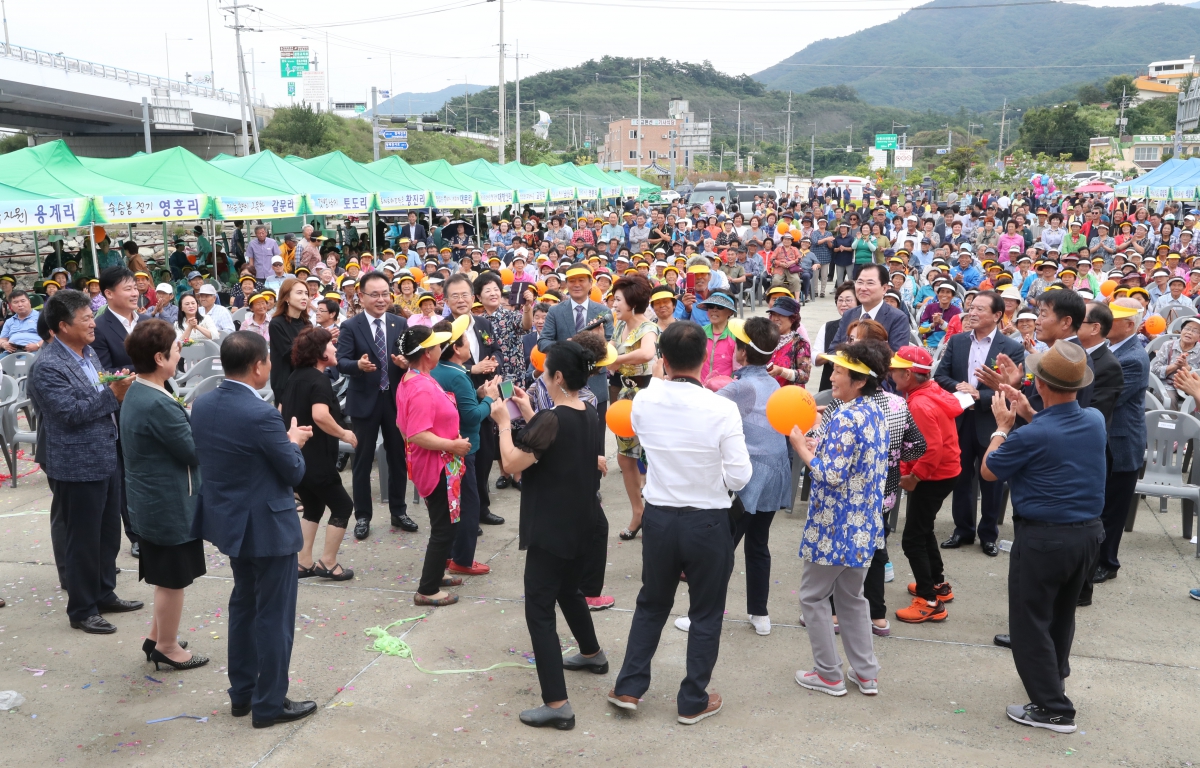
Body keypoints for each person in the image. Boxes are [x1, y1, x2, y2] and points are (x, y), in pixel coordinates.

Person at [609, 321, 751, 726]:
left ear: (663, 360)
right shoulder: (722, 408)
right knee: (706, 611)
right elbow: (740, 477)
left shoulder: (643, 402)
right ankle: (692, 700)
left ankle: (629, 687)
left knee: (652, 603)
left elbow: (646, 421)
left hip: (658, 516)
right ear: (705, 358)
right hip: (706, 519)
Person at [191, 331, 316, 728]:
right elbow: (293, 470)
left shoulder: (204, 402)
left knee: (244, 607)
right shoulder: (261, 414)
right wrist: (292, 440)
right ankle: (269, 703)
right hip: (267, 525)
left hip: (231, 522)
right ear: (259, 366)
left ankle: (242, 694)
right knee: (273, 617)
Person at [981, 341, 1104, 735]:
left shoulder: (1032, 435)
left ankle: (1053, 708)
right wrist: (1030, 411)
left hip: (1043, 539)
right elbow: (1055, 429)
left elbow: (989, 470)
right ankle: (1054, 679)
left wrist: (1002, 428)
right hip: (1086, 535)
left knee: (1030, 622)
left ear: (1043, 386)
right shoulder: (1095, 420)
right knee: (1061, 615)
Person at [490, 340, 609, 730]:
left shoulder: (552, 419)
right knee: (568, 590)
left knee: (539, 610)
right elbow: (561, 440)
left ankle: (557, 703)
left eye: (545, 372)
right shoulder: (589, 409)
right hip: (584, 522)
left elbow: (511, 463)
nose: (541, 377)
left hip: (553, 528)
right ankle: (591, 653)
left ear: (558, 377)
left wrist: (505, 423)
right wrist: (529, 412)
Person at [28, 289, 141, 634]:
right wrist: (114, 395)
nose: (93, 322)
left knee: (107, 534)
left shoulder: (87, 353)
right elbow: (68, 414)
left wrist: (116, 389)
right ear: (63, 326)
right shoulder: (48, 365)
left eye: (92, 316)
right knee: (82, 539)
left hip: (106, 453)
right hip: (76, 464)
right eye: (86, 318)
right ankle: (81, 609)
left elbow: (96, 398)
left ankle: (105, 592)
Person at [788, 340, 890, 697]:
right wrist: (821, 449)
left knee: (813, 597)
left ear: (859, 380)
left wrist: (802, 448)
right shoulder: (875, 410)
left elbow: (831, 475)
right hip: (863, 525)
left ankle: (828, 673)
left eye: (840, 372)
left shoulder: (847, 414)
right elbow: (851, 462)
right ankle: (866, 673)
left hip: (835, 525)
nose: (832, 377)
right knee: (852, 597)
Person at [120, 319, 208, 669]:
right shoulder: (157, 403)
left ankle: (158, 637)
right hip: (167, 503)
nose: (179, 352)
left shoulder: (140, 390)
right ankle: (168, 647)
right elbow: (192, 452)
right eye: (175, 349)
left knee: (165, 576)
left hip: (152, 500)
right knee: (172, 580)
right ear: (159, 358)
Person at [704, 317, 790, 636]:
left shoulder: (741, 386)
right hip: (773, 475)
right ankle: (760, 613)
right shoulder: (770, 381)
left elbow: (705, 412)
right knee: (758, 545)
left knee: (722, 548)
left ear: (741, 352)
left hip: (748, 481)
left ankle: (705, 614)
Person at [934, 291, 1025, 556]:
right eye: (971, 308)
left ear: (998, 316)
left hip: (991, 419)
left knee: (992, 479)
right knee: (960, 476)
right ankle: (962, 530)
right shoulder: (958, 341)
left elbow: (1011, 388)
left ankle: (988, 534)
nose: (972, 313)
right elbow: (941, 375)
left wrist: (980, 396)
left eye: (980, 310)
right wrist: (962, 390)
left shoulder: (1011, 348)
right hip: (960, 419)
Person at [394, 325, 473, 607]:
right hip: (437, 465)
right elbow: (415, 433)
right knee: (444, 528)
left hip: (439, 463)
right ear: (428, 353)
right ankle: (427, 588)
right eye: (438, 346)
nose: (442, 349)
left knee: (446, 523)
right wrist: (452, 445)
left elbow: (402, 426)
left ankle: (436, 574)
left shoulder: (416, 378)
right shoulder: (420, 387)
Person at [335, 270, 414, 536]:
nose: (381, 300)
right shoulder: (350, 326)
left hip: (394, 401)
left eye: (385, 294)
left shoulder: (398, 323)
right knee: (363, 460)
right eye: (375, 295)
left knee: (397, 458)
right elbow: (341, 361)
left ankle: (399, 512)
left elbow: (408, 358)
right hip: (364, 401)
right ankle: (363, 516)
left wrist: (405, 364)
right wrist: (357, 365)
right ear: (361, 296)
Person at [889, 345, 963, 623]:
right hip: (944, 472)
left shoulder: (918, 403)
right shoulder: (931, 391)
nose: (890, 373)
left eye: (895, 370)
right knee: (924, 528)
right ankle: (936, 585)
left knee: (913, 539)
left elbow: (931, 449)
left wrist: (914, 477)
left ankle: (929, 601)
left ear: (908, 375)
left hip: (932, 476)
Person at [1082, 299, 1149, 595]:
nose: (1109, 322)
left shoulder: (1132, 357)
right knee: (1102, 503)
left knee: (1113, 507)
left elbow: (1109, 399)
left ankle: (1107, 563)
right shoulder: (1114, 351)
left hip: (1120, 442)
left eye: (1115, 319)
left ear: (1129, 326)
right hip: (1107, 437)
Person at [281, 326, 358, 582]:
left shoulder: (296, 376)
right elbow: (320, 415)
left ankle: (302, 562)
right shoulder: (319, 379)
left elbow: (281, 408)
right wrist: (344, 434)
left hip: (300, 458)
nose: (335, 348)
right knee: (343, 506)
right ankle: (328, 562)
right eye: (330, 344)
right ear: (319, 353)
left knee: (313, 506)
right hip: (316, 459)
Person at [432, 317, 499, 576]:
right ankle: (462, 558)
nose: (469, 343)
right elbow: (470, 416)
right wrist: (489, 400)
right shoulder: (458, 376)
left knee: (452, 505)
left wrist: (479, 394)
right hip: (464, 448)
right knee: (469, 505)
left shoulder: (441, 370)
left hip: (446, 447)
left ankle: (450, 553)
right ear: (457, 348)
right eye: (465, 340)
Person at [607, 275, 659, 539]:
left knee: (651, 457)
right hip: (625, 396)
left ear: (632, 302)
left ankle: (656, 512)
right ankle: (637, 511)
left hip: (647, 396)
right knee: (625, 456)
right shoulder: (620, 325)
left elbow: (647, 354)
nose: (614, 304)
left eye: (618, 300)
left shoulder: (647, 328)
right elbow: (611, 348)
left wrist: (616, 358)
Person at [830, 265, 910, 351]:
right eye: (860, 282)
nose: (863, 288)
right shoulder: (849, 314)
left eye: (870, 283)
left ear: (884, 288)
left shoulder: (897, 318)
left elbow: (896, 357)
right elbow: (833, 350)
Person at [765, 296, 811, 387]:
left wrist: (781, 371)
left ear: (793, 319)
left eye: (781, 315)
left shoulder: (800, 344)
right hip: (766, 394)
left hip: (789, 396)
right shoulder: (765, 339)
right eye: (773, 314)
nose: (775, 318)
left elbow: (804, 375)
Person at [0, 289, 42, 357]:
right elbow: (2, 339)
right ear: (11, 306)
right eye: (15, 302)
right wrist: (4, 344)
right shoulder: (9, 321)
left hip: (34, 351)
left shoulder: (41, 317)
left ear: (29, 301)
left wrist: (37, 345)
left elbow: (51, 337)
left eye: (23, 301)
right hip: (11, 352)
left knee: (23, 365)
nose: (20, 305)